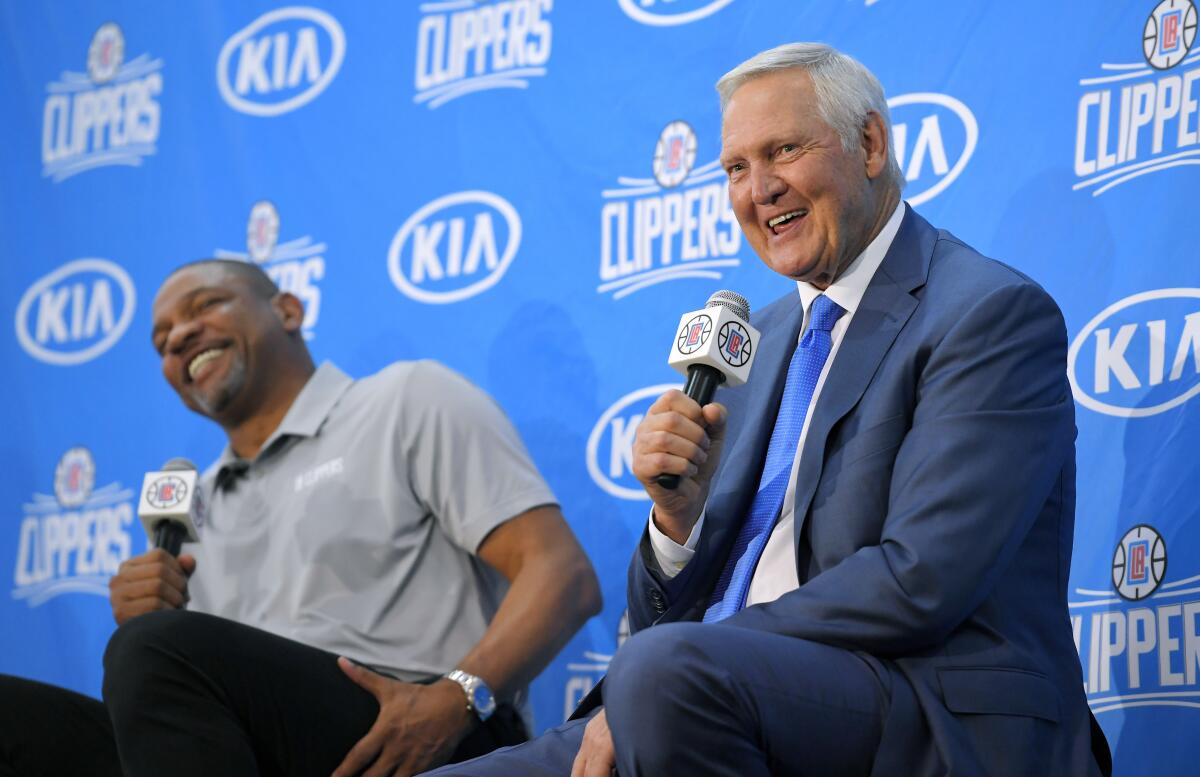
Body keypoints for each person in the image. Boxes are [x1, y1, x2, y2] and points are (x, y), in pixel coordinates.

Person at [425, 42, 1110, 777]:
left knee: (661, 675)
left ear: (870, 144)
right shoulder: (757, 340)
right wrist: (678, 525)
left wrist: (692, 657)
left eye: (783, 150)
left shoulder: (986, 315)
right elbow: (662, 628)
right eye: (735, 168)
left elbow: (922, 580)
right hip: (703, 692)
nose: (759, 190)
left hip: (925, 714)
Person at [0, 258, 601, 777]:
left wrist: (456, 698)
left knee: (155, 650)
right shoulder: (193, 508)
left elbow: (561, 576)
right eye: (161, 341)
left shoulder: (404, 400)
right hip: (255, 743)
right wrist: (151, 625)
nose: (179, 337)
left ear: (286, 309)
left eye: (203, 306)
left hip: (420, 722)